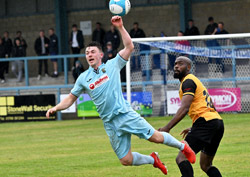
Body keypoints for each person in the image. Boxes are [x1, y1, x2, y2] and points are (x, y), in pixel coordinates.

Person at [46, 16, 196, 176]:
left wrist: (120, 26)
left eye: (92, 52)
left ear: (101, 55)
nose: (89, 54)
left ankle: (184, 147)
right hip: (109, 123)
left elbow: (129, 46)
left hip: (124, 114)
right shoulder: (83, 77)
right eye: (87, 52)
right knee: (126, 160)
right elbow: (70, 98)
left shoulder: (112, 64)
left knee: (156, 138)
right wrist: (56, 108)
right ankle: (154, 160)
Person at [159, 56, 224, 177]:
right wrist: (194, 126)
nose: (176, 66)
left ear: (189, 67)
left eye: (180, 64)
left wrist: (167, 127)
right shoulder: (193, 81)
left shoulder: (188, 81)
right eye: (175, 64)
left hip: (206, 123)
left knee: (181, 158)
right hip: (216, 123)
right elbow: (204, 106)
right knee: (206, 165)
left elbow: (184, 108)